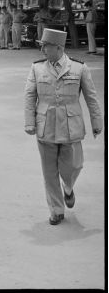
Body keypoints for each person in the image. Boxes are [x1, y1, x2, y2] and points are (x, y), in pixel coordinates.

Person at [24, 28, 103, 225]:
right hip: (45, 125)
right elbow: (29, 96)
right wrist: (29, 122)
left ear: (58, 47)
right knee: (49, 172)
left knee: (74, 165)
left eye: (46, 46)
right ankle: (56, 210)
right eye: (42, 46)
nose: (42, 50)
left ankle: (68, 187)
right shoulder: (36, 68)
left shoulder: (79, 68)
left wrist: (97, 121)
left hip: (71, 126)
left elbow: (91, 98)